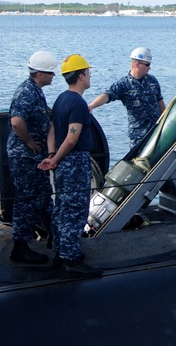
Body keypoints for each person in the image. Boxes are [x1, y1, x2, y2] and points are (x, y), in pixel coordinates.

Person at [38, 54, 102, 277]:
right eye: (88, 72)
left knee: (62, 207)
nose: (90, 76)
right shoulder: (78, 103)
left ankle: (60, 251)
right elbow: (72, 138)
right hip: (75, 162)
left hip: (63, 162)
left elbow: (53, 131)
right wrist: (55, 158)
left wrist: (53, 155)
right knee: (75, 211)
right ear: (81, 76)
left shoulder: (61, 99)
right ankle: (70, 258)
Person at [7, 51, 58, 265]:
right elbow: (16, 122)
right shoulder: (27, 92)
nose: (53, 76)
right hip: (25, 157)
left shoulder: (35, 91)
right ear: (39, 74)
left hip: (33, 157)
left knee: (44, 195)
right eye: (50, 73)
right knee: (27, 201)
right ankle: (20, 247)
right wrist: (29, 142)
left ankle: (54, 236)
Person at [88, 47, 166, 148]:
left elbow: (160, 102)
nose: (149, 67)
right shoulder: (123, 84)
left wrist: (166, 121)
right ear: (137, 64)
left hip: (156, 131)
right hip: (138, 135)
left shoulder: (152, 81)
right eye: (147, 64)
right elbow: (107, 95)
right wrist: (92, 106)